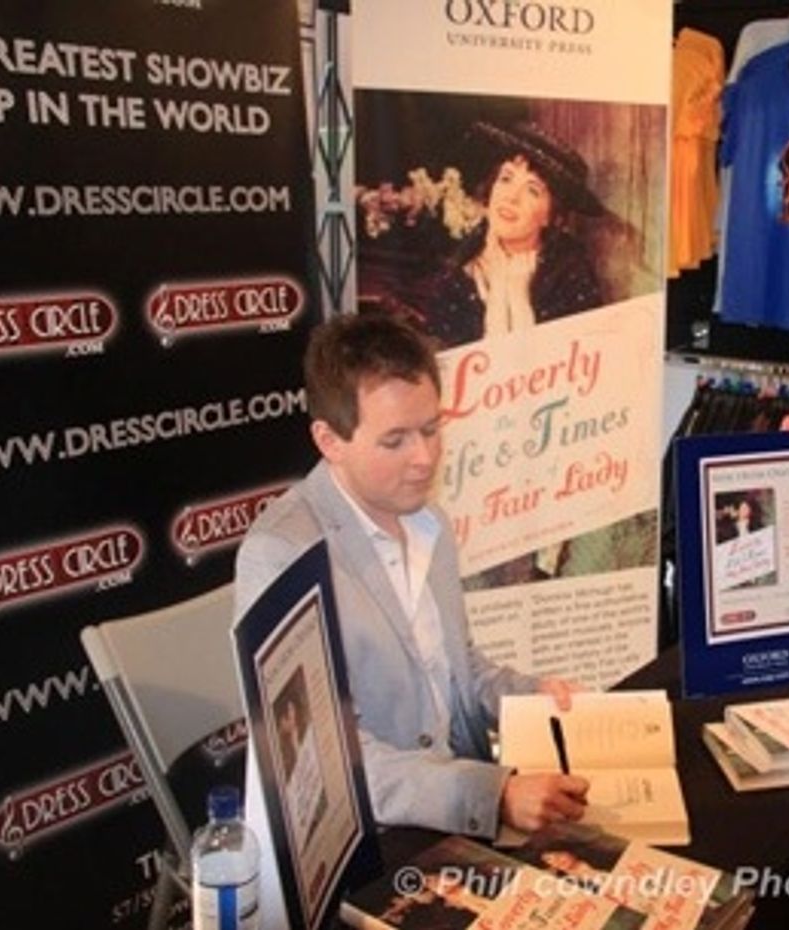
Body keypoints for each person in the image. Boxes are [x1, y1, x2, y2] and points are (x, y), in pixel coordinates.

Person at [237, 313, 591, 918]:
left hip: (456, 806)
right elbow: (328, 764)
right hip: (369, 845)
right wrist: (490, 793)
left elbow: (456, 670)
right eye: (396, 440)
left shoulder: (430, 524)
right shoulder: (283, 555)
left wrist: (531, 695)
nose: (425, 458)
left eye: (432, 429)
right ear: (329, 441)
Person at [427, 120, 605, 348]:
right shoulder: (456, 278)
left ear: (550, 216)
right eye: (506, 178)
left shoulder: (569, 271)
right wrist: (499, 294)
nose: (511, 197)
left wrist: (519, 295)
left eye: (532, 190)